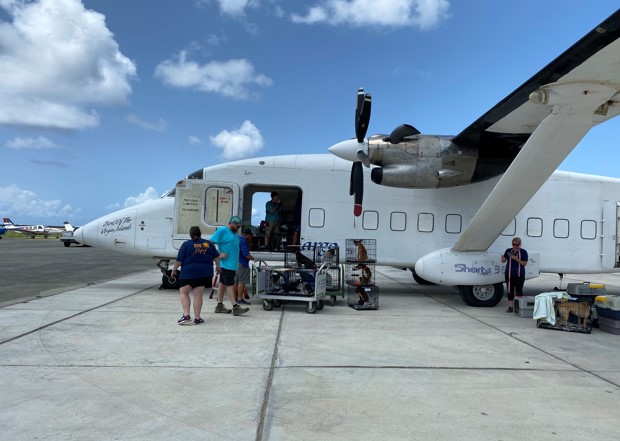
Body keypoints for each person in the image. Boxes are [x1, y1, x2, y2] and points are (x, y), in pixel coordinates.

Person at [171, 226, 220, 325]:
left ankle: (186, 316)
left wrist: (174, 269)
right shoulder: (208, 244)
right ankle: (197, 318)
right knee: (198, 295)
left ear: (190, 234)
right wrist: (218, 267)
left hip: (188, 273)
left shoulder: (186, 244)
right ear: (200, 234)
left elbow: (179, 260)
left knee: (184, 293)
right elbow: (216, 257)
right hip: (204, 273)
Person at [210, 216, 249, 316]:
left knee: (222, 284)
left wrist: (237, 261)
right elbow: (210, 243)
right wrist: (218, 255)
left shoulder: (234, 233)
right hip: (226, 264)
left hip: (232, 264)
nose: (238, 228)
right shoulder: (222, 230)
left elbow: (233, 248)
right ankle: (235, 307)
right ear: (231, 223)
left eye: (239, 227)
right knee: (230, 285)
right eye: (237, 226)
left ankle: (219, 305)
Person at [501, 237, 528, 313]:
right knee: (510, 290)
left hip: (519, 274)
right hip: (509, 274)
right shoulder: (508, 250)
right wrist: (502, 258)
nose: (515, 246)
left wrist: (516, 258)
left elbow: (524, 263)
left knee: (519, 291)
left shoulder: (523, 252)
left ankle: (519, 307)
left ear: (520, 244)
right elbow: (503, 261)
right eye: (513, 244)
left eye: (517, 245)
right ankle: (510, 307)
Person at [235, 228, 254, 305]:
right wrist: (254, 259)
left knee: (235, 282)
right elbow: (246, 254)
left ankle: (235, 298)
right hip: (242, 264)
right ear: (248, 235)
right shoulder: (243, 241)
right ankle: (240, 299)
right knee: (242, 282)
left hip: (235, 263)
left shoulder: (236, 238)